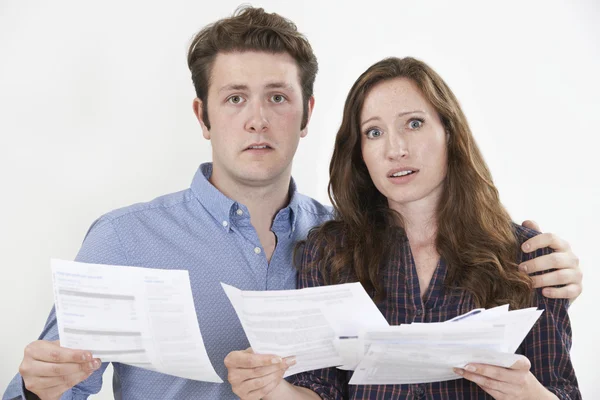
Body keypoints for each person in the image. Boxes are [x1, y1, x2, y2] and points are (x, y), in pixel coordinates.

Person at [3, 7, 581, 400]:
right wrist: (37, 387)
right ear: (202, 116)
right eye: (234, 98)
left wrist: (555, 270)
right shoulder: (122, 241)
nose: (257, 118)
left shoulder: (349, 243)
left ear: (306, 115)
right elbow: (56, 384)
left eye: (277, 97)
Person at [225, 57, 580, 399]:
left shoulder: (530, 258)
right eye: (374, 132)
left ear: (449, 131)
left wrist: (525, 393)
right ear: (360, 152)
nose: (395, 149)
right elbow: (320, 390)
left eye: (413, 124)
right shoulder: (329, 253)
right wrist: (272, 389)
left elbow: (562, 389)